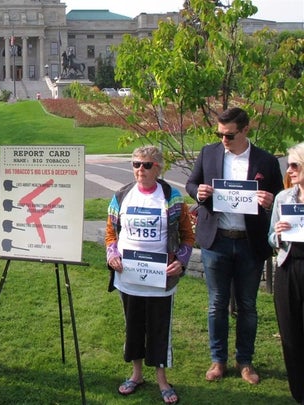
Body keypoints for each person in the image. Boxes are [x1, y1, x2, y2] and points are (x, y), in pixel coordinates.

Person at [185, 107, 283, 385]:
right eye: (219, 134)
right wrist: (198, 192)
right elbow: (192, 183)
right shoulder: (209, 153)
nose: (223, 139)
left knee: (248, 306)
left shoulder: (265, 160)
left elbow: (278, 197)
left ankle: (245, 361)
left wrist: (270, 201)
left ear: (245, 131)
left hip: (250, 243)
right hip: (217, 240)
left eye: (228, 135)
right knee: (216, 304)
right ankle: (218, 360)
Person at [105, 146, 193, 405]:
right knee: (134, 328)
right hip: (129, 278)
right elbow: (111, 234)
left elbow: (187, 236)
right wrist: (112, 256)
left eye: (146, 165)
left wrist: (181, 262)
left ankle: (162, 380)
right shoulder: (121, 196)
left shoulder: (172, 197)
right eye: (135, 164)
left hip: (160, 279)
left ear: (158, 167)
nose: (139, 170)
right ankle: (136, 375)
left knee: (159, 329)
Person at [268, 142, 304, 404]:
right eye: (289, 165)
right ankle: (299, 392)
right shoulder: (283, 198)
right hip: (288, 267)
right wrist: (278, 234)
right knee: (290, 333)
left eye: (295, 165)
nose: (289, 171)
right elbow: (271, 237)